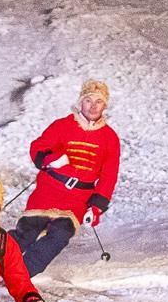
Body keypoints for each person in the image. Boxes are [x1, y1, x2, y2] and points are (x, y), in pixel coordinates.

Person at [15, 79, 120, 276]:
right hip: (49, 190)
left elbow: (109, 176)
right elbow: (38, 147)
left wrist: (96, 207)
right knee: (27, 233)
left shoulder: (110, 138)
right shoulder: (62, 125)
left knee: (59, 236)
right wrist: (51, 159)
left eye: (98, 102)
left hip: (78, 200)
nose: (93, 106)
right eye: (89, 100)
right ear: (81, 102)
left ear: (104, 106)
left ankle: (20, 274)